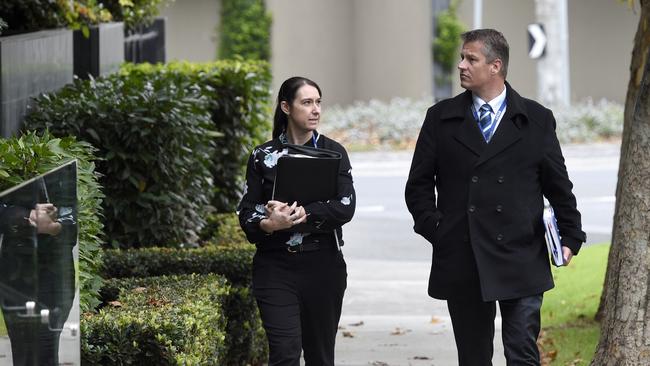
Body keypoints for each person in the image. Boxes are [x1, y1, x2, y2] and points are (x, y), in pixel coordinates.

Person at [405, 29, 586, 365]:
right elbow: (417, 188)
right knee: (473, 357)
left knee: (522, 352)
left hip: (521, 255)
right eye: (462, 57)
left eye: (470, 58)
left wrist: (572, 235)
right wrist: (439, 231)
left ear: (495, 66)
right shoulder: (440, 118)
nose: (461, 65)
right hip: (463, 255)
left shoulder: (537, 119)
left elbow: (559, 186)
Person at [237, 76, 355, 366]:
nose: (315, 109)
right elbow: (246, 210)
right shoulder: (262, 156)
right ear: (286, 107)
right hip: (275, 266)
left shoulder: (334, 152)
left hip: (323, 266)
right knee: (285, 353)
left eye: (318, 102)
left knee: (320, 357)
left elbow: (345, 206)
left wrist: (305, 214)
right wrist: (269, 222)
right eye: (306, 102)